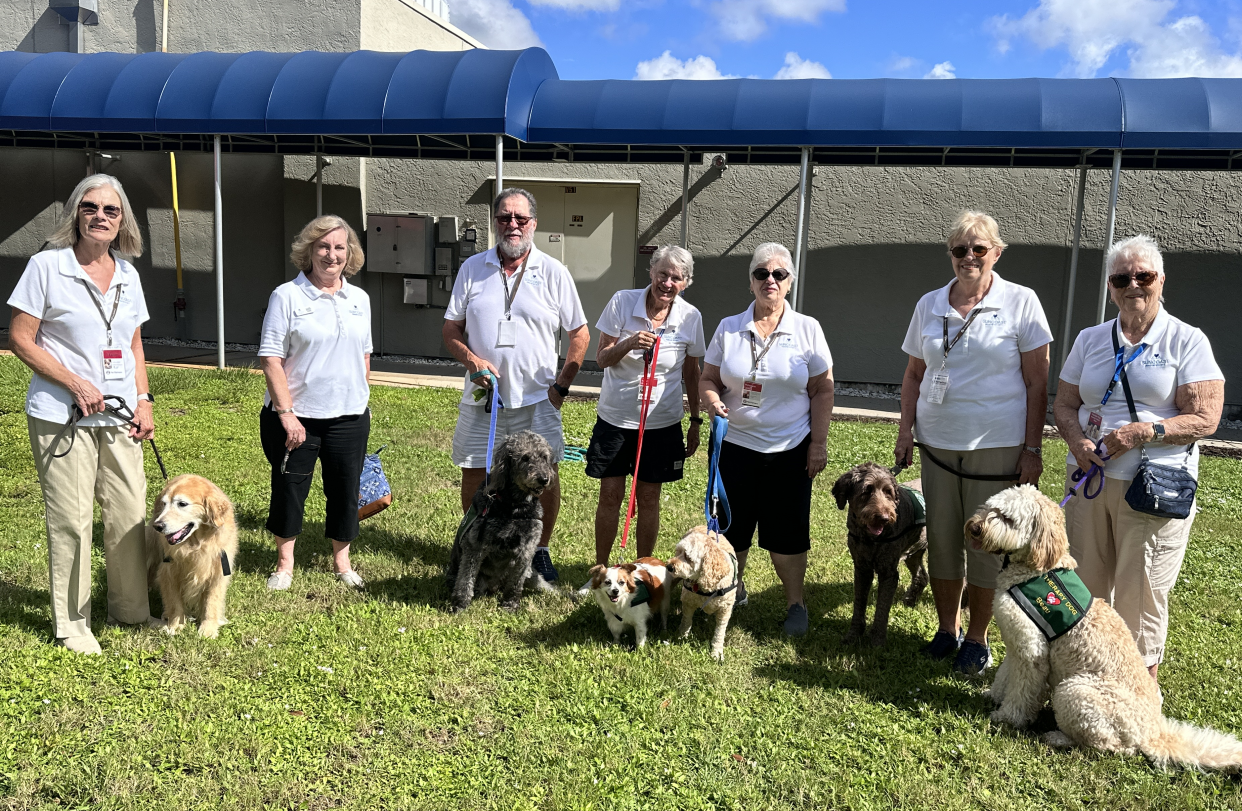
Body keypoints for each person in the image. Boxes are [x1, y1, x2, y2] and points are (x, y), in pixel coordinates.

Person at [1054, 234, 1223, 684]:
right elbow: (1064, 404)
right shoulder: (1091, 339)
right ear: (1110, 287)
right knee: (1085, 584)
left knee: (1140, 592)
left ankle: (1139, 697)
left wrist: (1143, 432)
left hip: (1153, 487)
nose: (1133, 284)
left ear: (1161, 280)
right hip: (1090, 481)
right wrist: (1078, 444)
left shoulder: (1186, 340)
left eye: (1143, 275)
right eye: (1121, 277)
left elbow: (1207, 417)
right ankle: (1085, 682)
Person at [894, 210, 1053, 676]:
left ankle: (977, 639)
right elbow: (912, 374)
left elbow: (1037, 384)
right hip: (937, 445)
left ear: (996, 253)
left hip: (996, 447)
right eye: (960, 250)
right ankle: (946, 631)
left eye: (978, 249)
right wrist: (906, 430)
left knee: (986, 542)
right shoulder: (929, 304)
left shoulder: (1021, 302)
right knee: (942, 539)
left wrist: (1032, 449)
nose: (969, 257)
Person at [8, 173, 155, 654]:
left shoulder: (129, 275)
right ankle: (73, 624)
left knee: (131, 515)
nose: (100, 216)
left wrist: (144, 400)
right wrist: (72, 382)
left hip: (120, 416)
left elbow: (133, 344)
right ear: (75, 213)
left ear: (122, 221)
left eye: (111, 211)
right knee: (72, 519)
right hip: (62, 415)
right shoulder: (46, 267)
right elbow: (21, 339)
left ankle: (131, 612)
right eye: (90, 207)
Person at [443, 188, 589, 582]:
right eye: (505, 217)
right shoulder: (473, 268)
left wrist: (562, 385)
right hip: (483, 398)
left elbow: (579, 333)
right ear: (495, 222)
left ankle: (539, 551)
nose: (513, 225)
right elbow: (451, 328)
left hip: (538, 400)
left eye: (520, 219)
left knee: (546, 475)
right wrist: (472, 360)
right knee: (475, 471)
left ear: (533, 224)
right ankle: (475, 540)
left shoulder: (553, 272)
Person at [700, 242, 834, 637]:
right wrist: (711, 401)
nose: (770, 281)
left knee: (788, 533)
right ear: (751, 282)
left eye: (778, 274)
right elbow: (708, 378)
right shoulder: (729, 327)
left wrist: (818, 443)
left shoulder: (807, 328)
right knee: (730, 527)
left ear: (789, 282)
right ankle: (732, 589)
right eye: (761, 274)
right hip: (734, 447)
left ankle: (796, 604)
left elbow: (823, 389)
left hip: (789, 449)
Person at [259, 215, 372, 591]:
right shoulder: (286, 296)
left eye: (339, 247)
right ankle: (285, 565)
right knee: (290, 487)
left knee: (345, 489)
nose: (331, 254)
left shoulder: (360, 299)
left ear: (349, 252)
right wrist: (286, 414)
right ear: (309, 251)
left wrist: (361, 398)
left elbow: (365, 355)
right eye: (323, 246)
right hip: (298, 417)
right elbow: (271, 359)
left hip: (349, 417)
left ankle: (343, 563)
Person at [587, 246, 705, 565]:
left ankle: (644, 570)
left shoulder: (690, 318)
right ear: (651, 273)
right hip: (615, 420)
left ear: (686, 283)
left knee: (649, 497)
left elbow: (691, 374)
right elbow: (601, 359)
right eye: (662, 274)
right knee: (610, 495)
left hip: (661, 425)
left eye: (676, 278)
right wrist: (628, 343)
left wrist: (695, 421)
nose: (667, 283)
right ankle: (600, 568)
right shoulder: (622, 302)